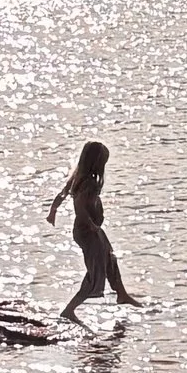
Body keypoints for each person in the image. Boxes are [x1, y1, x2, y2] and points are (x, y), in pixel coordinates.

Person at [48, 138, 138, 321]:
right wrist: (90, 224)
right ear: (96, 163)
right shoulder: (89, 183)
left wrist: (53, 212)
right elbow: (81, 206)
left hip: (90, 230)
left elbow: (61, 195)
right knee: (95, 270)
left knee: (109, 258)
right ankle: (69, 309)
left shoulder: (78, 178)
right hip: (88, 231)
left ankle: (122, 294)